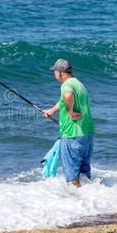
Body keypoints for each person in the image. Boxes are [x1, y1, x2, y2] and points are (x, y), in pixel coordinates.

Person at [42, 59, 95, 187]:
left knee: (72, 175)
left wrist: (70, 112)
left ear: (60, 73)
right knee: (84, 172)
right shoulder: (78, 84)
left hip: (72, 134)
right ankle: (90, 196)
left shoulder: (66, 85)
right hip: (86, 133)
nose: (54, 74)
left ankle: (78, 202)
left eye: (54, 71)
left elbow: (67, 96)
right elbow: (62, 101)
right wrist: (51, 111)